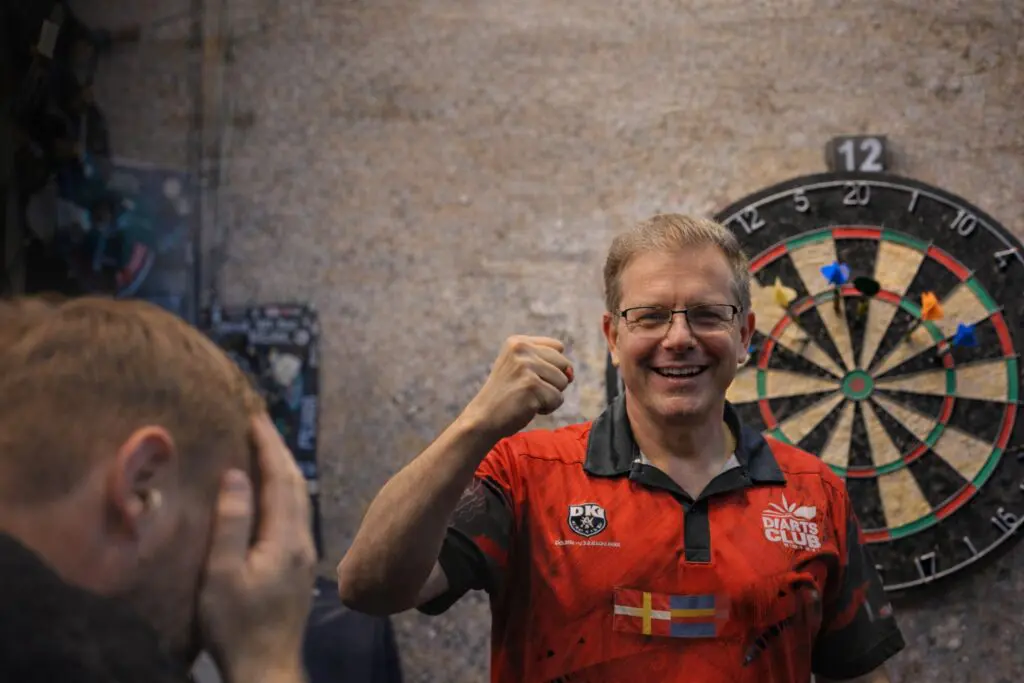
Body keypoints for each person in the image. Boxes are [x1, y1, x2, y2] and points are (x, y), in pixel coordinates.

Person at [337, 214, 905, 682]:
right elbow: (367, 587)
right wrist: (476, 424)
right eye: (650, 316)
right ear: (613, 337)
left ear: (744, 335)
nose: (678, 338)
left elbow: (857, 671)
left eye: (707, 314)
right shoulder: (525, 475)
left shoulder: (814, 493)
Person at [0, 295, 317, 683]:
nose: (209, 621)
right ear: (142, 484)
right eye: (222, 552)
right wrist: (267, 657)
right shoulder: (71, 657)